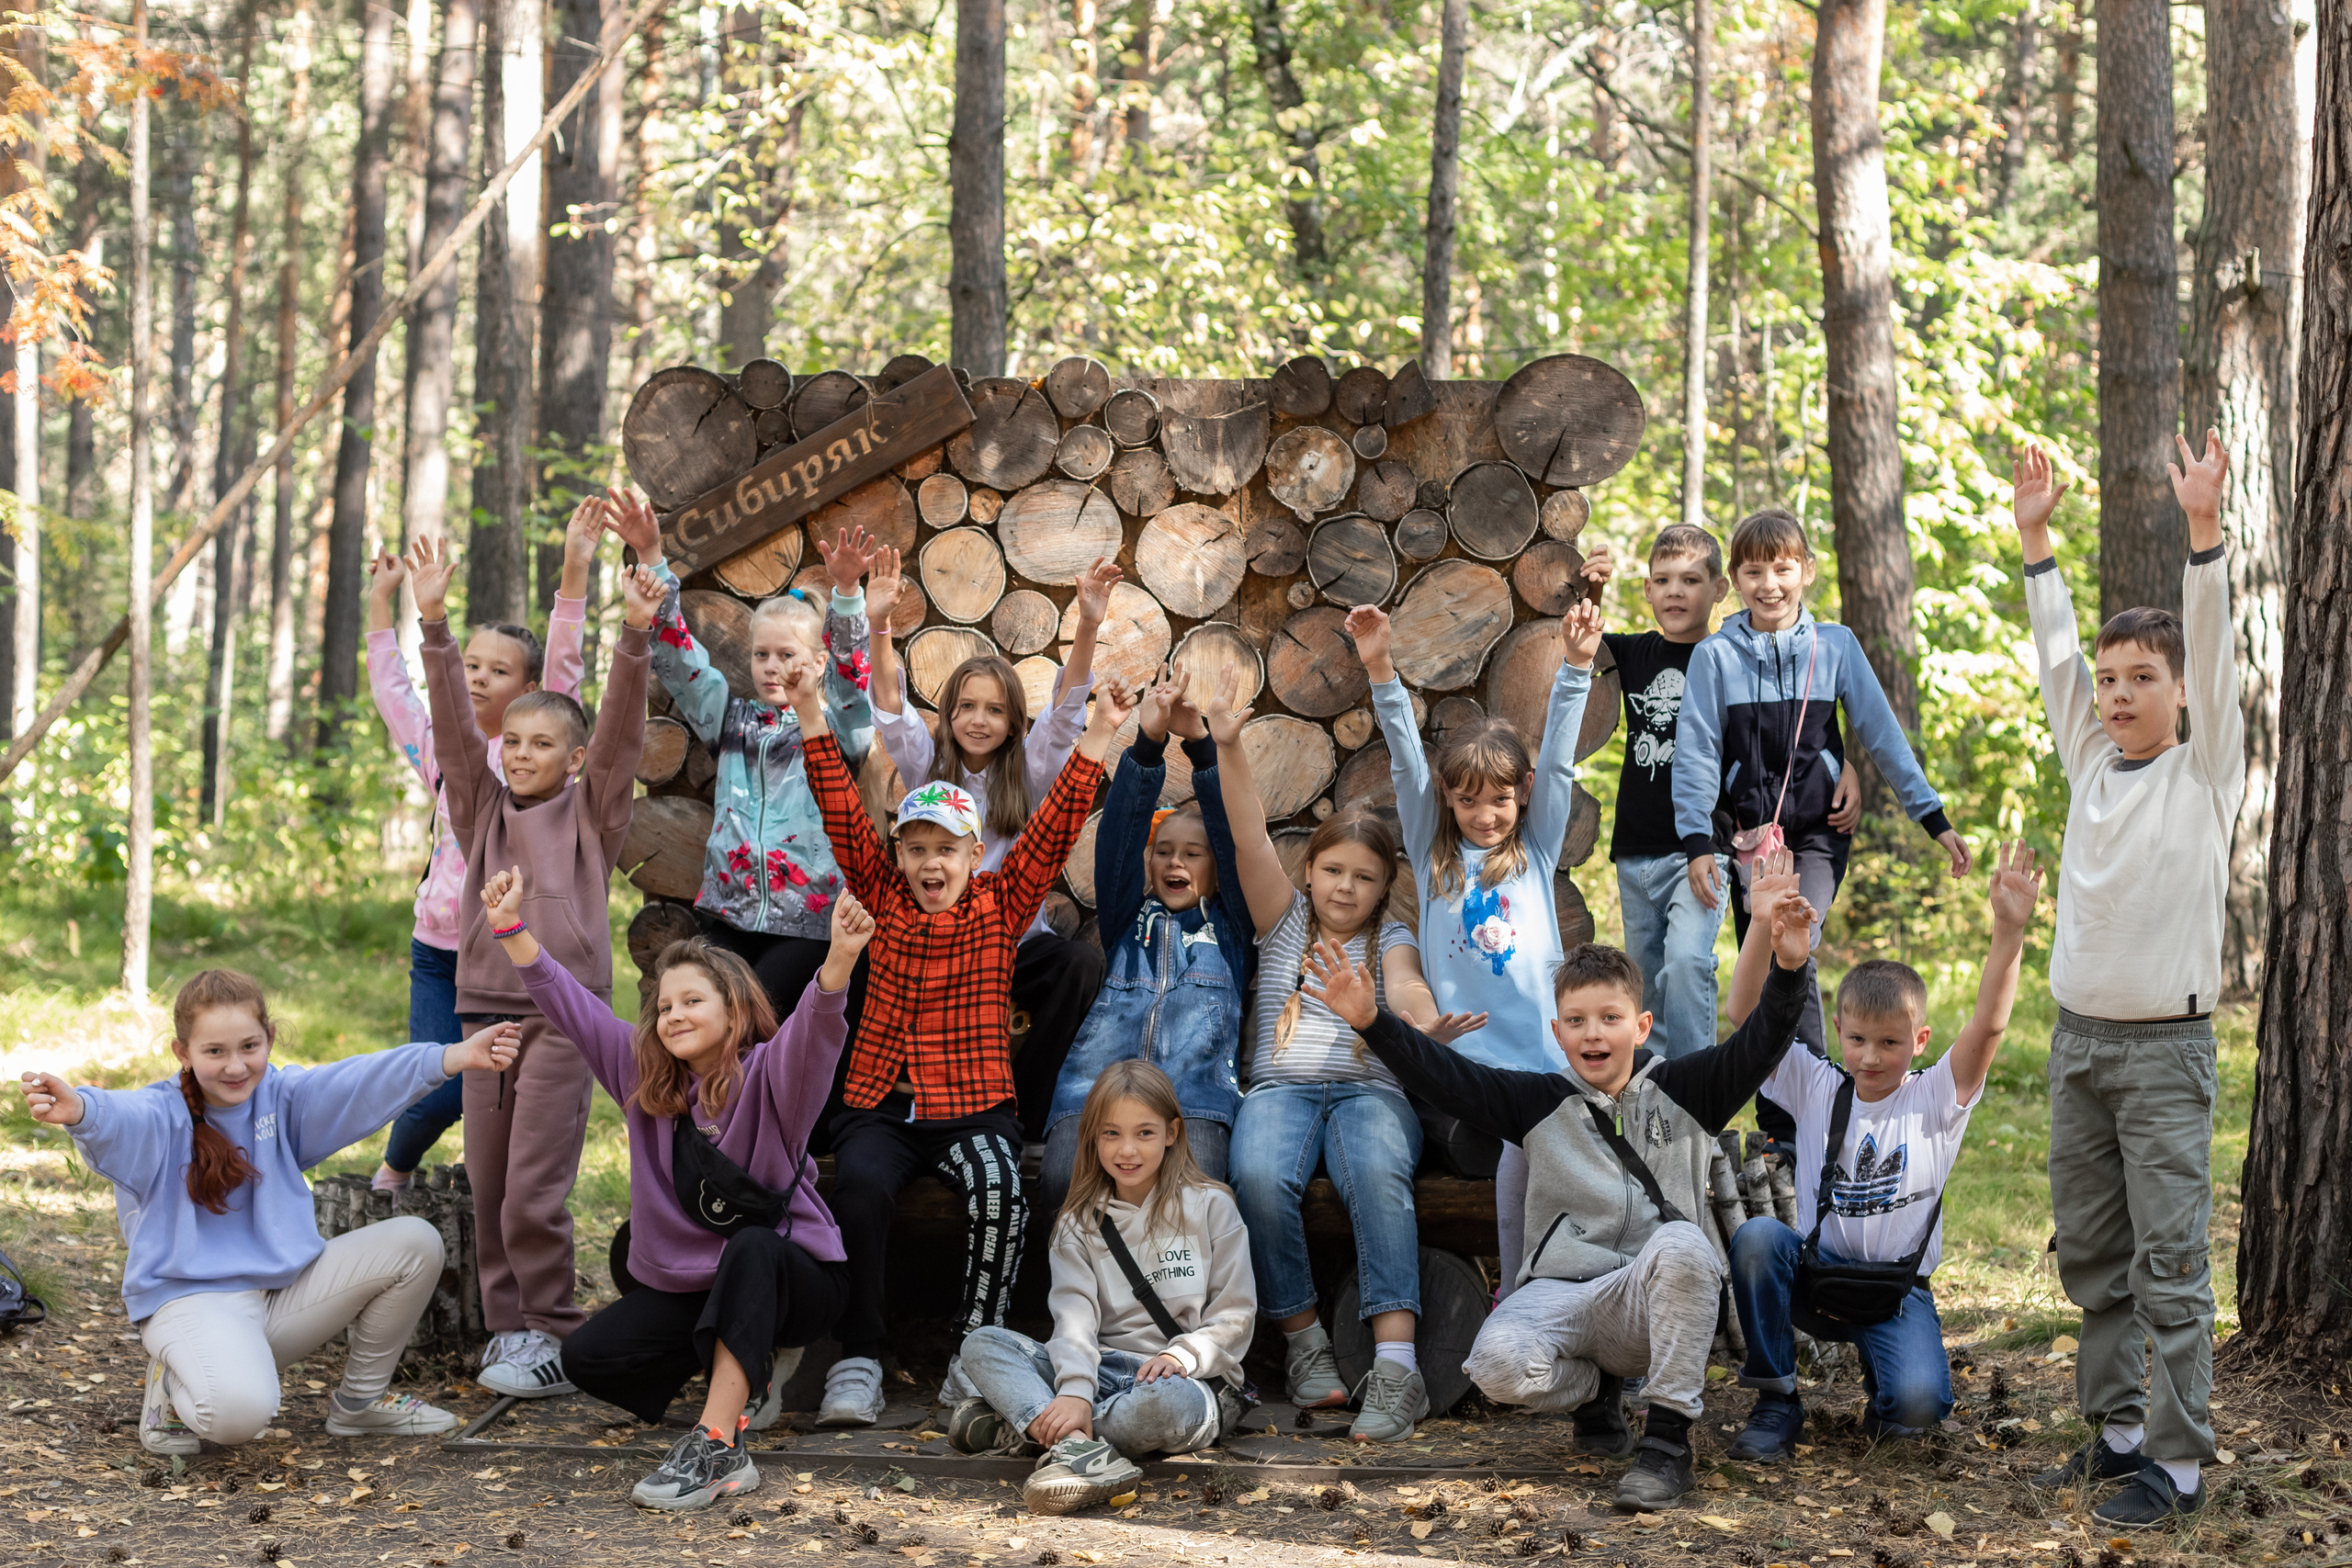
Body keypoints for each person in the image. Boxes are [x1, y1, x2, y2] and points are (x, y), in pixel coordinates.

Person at [1301, 908, 1813, 1510]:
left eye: (1609, 1018)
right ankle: (1595, 1390)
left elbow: (1763, 1038)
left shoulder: (1690, 1090)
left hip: (1647, 1299)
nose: (1593, 1033)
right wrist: (1372, 1020)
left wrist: (1791, 964)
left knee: (1683, 1244)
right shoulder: (1535, 1099)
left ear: (1641, 1025)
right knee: (1492, 1363)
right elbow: (1449, 1077)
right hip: (1562, 1296)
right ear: (1558, 1030)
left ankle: (1667, 1445)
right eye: (1577, 1020)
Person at [789, 654, 1132, 1427]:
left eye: (946, 847)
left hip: (973, 1106)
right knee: (862, 1188)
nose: (930, 861)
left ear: (973, 853)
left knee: (1001, 1187)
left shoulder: (1001, 904)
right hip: (882, 1105)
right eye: (916, 847)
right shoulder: (881, 892)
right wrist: (812, 709)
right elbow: (842, 806)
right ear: (899, 855)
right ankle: (859, 1353)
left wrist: (1100, 733)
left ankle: (977, 1352)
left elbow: (1054, 826)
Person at [475, 866, 870, 1512]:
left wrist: (840, 959)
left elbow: (817, 1029)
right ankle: (738, 1367)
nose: (674, 1014)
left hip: (793, 1278)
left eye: (692, 1000)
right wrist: (511, 930)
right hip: (705, 1288)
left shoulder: (775, 1077)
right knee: (589, 1356)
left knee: (750, 1249)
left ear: (733, 1008)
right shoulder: (641, 1076)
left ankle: (718, 1443)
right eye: (663, 1005)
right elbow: (571, 1007)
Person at [2010, 435, 2238, 1529]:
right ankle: (2112, 1433)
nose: (2114, 695)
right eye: (2107, 681)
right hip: (2076, 1045)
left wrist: (2201, 530)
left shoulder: (2203, 769)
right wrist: (2035, 536)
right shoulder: (2090, 759)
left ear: (2179, 694)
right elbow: (2055, 657)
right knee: (2094, 1255)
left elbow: (2214, 645)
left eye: (2140, 679)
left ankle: (2179, 1462)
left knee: (2169, 1266)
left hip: (2163, 1055)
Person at [17, 970, 520, 1454]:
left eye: (248, 1047)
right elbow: (123, 1117)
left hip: (280, 1295)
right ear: (183, 1053)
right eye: (214, 1051)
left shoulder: (281, 1097)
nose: (235, 1067)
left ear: (269, 1039)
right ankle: (171, 1383)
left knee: (414, 1241)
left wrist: (454, 1055)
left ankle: (360, 1403)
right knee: (237, 1417)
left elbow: (358, 1080)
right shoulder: (162, 1113)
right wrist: (82, 1111)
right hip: (192, 1301)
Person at [411, 534, 658, 1399]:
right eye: (512, 740)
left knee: (532, 1191)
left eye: (540, 744)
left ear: (572, 758)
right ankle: (509, 1327)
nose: (519, 753)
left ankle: (551, 1329)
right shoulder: (479, 806)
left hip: (566, 1016)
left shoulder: (595, 810)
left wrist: (633, 634)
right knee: (487, 1185)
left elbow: (623, 729)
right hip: (485, 1014)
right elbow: (449, 726)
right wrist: (434, 624)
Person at [1715, 843, 2041, 1461]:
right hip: (1818, 1274)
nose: (1871, 1055)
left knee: (1917, 1409)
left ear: (1919, 1039)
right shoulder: (1817, 1083)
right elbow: (1743, 1012)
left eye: (1890, 1041)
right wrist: (1761, 926)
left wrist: (2008, 929)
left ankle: (1885, 1387)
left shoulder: (1936, 1096)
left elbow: (1989, 1025)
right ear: (1838, 1029)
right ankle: (1776, 1399)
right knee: (1758, 1239)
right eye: (1859, 1038)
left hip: (1896, 1289)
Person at [1669, 508, 1972, 1140]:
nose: (1770, 584)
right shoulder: (1716, 656)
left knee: (1794, 935)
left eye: (1783, 568)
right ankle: (1792, 1117)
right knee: (1775, 963)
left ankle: (1795, 1120)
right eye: (1754, 571)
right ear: (1737, 577)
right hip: (1750, 839)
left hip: (1817, 834)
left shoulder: (1834, 646)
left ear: (1806, 569)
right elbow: (1695, 750)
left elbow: (1882, 736)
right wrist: (1698, 840)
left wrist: (1934, 818)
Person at [1221, 718, 1476, 1446]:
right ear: (1310, 870)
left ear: (1382, 888)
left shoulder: (1389, 938)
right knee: (1260, 1172)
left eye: (1364, 878)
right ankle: (1305, 1342)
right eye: (1334, 870)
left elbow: (1408, 989)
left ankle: (1398, 1369)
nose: (1346, 886)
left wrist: (1424, 1027)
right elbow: (1246, 838)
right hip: (1280, 1089)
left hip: (1371, 1092)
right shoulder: (1282, 920)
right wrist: (1231, 746)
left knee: (1372, 1170)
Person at [1348, 596, 1600, 1294]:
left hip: (1538, 1064)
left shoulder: (1536, 847)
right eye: (1467, 803)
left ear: (1521, 797)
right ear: (1448, 801)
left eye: (1499, 802)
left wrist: (1576, 664)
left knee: (1548, 1154)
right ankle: (1513, 1283)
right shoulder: (1435, 852)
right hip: (1460, 1064)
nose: (1484, 817)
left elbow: (1559, 765)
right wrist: (1380, 670)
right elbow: (1404, 760)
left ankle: (1530, 1284)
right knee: (1481, 1146)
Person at [360, 497, 600, 1192]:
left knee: (508, 1095)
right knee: (436, 1082)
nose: (477, 677)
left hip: (521, 953)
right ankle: (393, 1173)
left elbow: (567, 663)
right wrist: (384, 598)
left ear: (530, 688)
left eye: (497, 670)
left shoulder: (538, 754)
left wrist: (575, 569)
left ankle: (487, 1200)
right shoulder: (444, 749)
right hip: (440, 948)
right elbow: (392, 687)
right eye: (470, 664)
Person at [599, 489, 879, 1024]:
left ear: (819, 661)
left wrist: (846, 593)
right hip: (727, 915)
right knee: (713, 1033)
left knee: (760, 1028)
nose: (772, 667)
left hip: (809, 926)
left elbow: (853, 677)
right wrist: (653, 556)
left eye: (787, 655)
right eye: (761, 655)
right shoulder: (732, 720)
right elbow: (678, 658)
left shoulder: (838, 731)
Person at [868, 548, 1118, 1142]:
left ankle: (1024, 1115)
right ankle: (875, 1105)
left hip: (1011, 949)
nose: (979, 720)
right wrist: (879, 628)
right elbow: (889, 710)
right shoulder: (928, 765)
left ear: (1012, 721)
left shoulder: (1030, 772)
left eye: (995, 710)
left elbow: (1066, 715)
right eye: (966, 707)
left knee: (1078, 962)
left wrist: (1086, 622)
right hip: (936, 952)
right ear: (950, 713)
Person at [950, 1059, 1253, 1517]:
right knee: (983, 1343)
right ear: (1091, 1138)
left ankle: (1037, 1429)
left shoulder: (1212, 1207)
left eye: (1144, 1133)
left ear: (1172, 1133)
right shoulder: (1079, 1223)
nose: (1126, 1150)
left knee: (1161, 1405)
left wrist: (1181, 1355)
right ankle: (1076, 1444)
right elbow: (1075, 1321)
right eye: (1111, 1133)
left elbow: (1235, 1316)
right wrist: (1073, 1389)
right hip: (1101, 1372)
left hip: (1181, 1383)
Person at [1039, 666, 1251, 1212]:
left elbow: (1235, 834)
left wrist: (1201, 742)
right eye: (1164, 851)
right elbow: (1120, 835)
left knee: (1196, 1207)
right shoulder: (1127, 915)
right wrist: (1150, 740)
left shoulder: (1232, 927)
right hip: (1096, 1093)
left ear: (1218, 868)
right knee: (1062, 1188)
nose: (1174, 860)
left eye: (1192, 853)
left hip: (1195, 1099)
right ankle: (1056, 1301)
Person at [1584, 525, 1740, 1058]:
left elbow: (1783, 723)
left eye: (1691, 580)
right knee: (1646, 987)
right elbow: (1576, 641)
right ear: (1647, 590)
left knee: (1690, 963)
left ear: (1718, 590)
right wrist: (1594, 591)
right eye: (1663, 580)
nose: (1676, 591)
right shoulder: (1634, 655)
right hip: (1635, 852)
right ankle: (1658, 1111)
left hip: (1701, 851)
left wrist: (1843, 767)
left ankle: (1699, 1104)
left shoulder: (1729, 661)